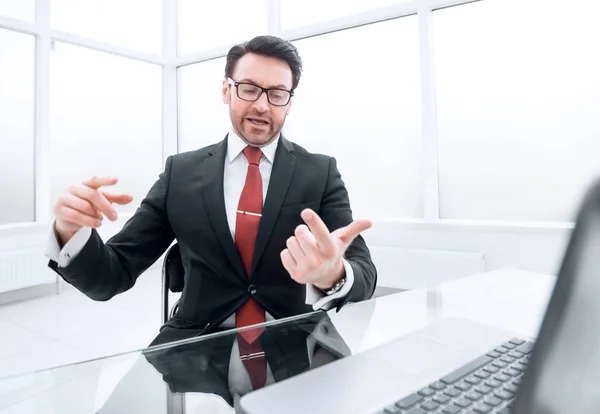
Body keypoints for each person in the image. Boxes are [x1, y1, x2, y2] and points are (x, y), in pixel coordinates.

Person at [45, 35, 377, 350]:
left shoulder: (320, 172)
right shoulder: (180, 173)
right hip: (195, 345)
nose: (262, 105)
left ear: (289, 103)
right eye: (249, 89)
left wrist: (332, 274)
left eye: (277, 94)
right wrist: (70, 233)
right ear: (226, 90)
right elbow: (111, 276)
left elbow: (363, 271)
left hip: (293, 339)